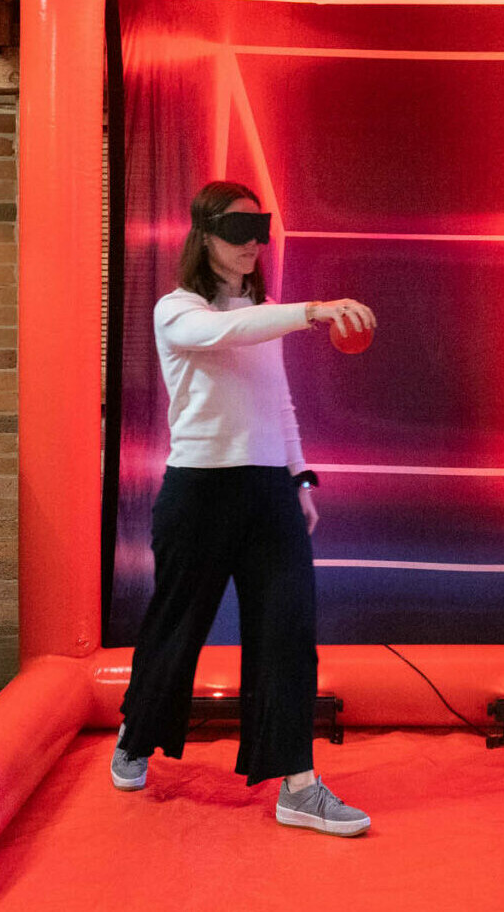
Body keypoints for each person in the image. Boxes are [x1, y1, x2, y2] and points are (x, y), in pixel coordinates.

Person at [111, 179, 377, 836]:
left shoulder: (264, 315)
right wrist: (311, 309)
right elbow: (223, 330)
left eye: (259, 228)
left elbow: (277, 402)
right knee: (176, 628)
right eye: (236, 230)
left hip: (268, 495)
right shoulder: (176, 310)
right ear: (204, 237)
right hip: (199, 493)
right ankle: (135, 737)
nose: (252, 242)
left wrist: (299, 479)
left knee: (289, 632)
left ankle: (298, 785)